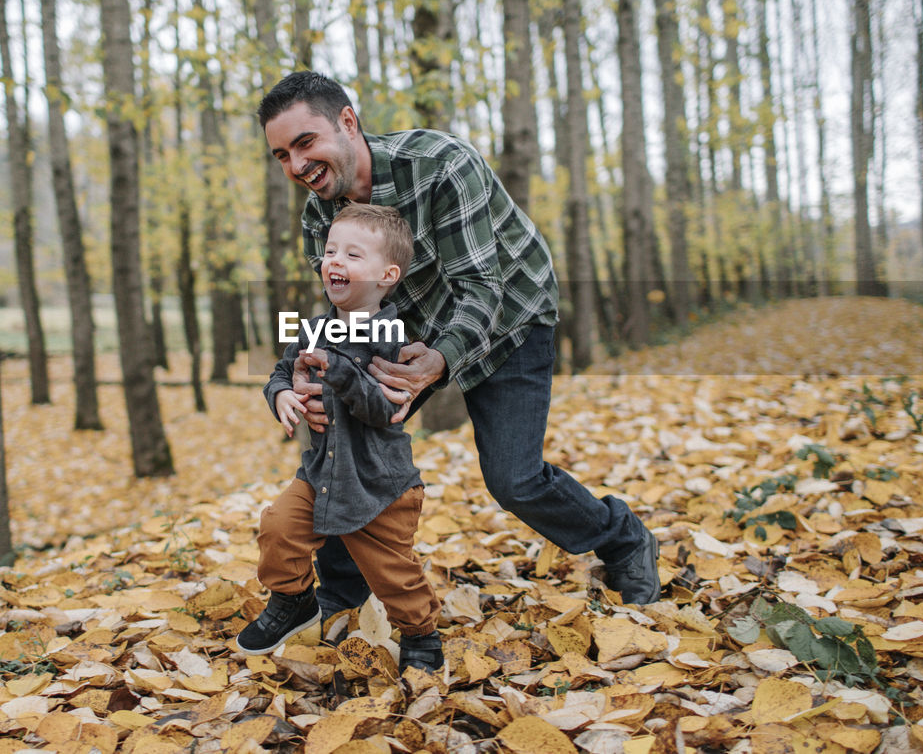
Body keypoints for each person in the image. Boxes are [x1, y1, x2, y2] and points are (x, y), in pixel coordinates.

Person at [257, 70, 661, 621]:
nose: (296, 165)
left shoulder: (440, 165)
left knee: (513, 479)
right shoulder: (317, 220)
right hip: (410, 330)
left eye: (305, 143)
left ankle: (623, 538)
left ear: (347, 123)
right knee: (342, 434)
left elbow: (480, 286)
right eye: (281, 154)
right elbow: (346, 313)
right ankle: (342, 593)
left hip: (509, 315)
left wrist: (440, 361)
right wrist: (307, 368)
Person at [238, 203, 443, 672]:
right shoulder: (312, 328)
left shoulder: (394, 338)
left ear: (386, 274)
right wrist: (283, 395)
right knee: (278, 528)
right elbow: (280, 372)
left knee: (393, 574)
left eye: (353, 254)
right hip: (322, 474)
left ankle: (421, 638)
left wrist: (342, 374)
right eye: (331, 251)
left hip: (379, 485)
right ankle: (292, 600)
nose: (335, 261)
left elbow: (385, 408)